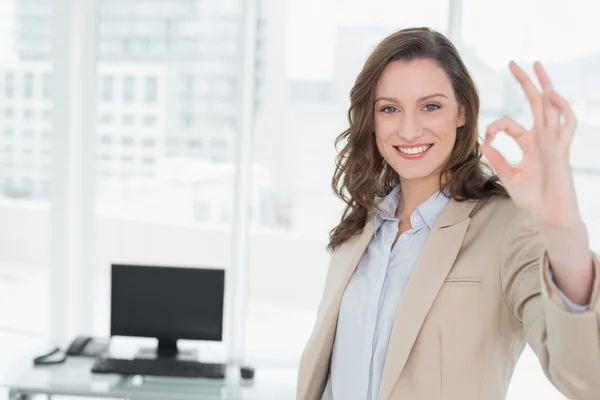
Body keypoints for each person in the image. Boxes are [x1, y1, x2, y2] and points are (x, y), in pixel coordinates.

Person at [296, 27, 600, 400]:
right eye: (389, 108)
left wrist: (563, 230)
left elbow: (587, 378)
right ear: (370, 119)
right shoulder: (359, 231)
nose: (409, 130)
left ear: (462, 112)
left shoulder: (506, 227)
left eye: (431, 106)